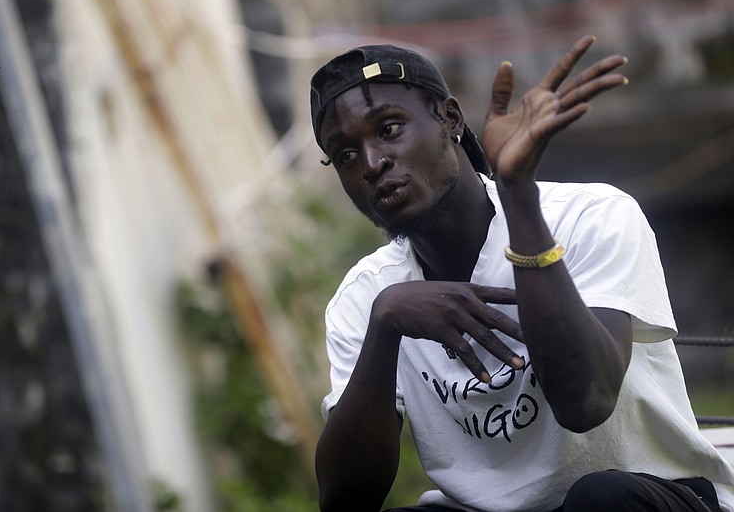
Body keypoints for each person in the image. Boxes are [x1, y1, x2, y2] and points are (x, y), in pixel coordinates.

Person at [309, 35, 734, 512]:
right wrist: (385, 323)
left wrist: (518, 197)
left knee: (600, 499)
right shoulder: (366, 295)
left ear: (449, 119)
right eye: (344, 154)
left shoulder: (592, 217)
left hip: (651, 496)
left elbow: (585, 404)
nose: (371, 163)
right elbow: (345, 500)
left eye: (389, 128)